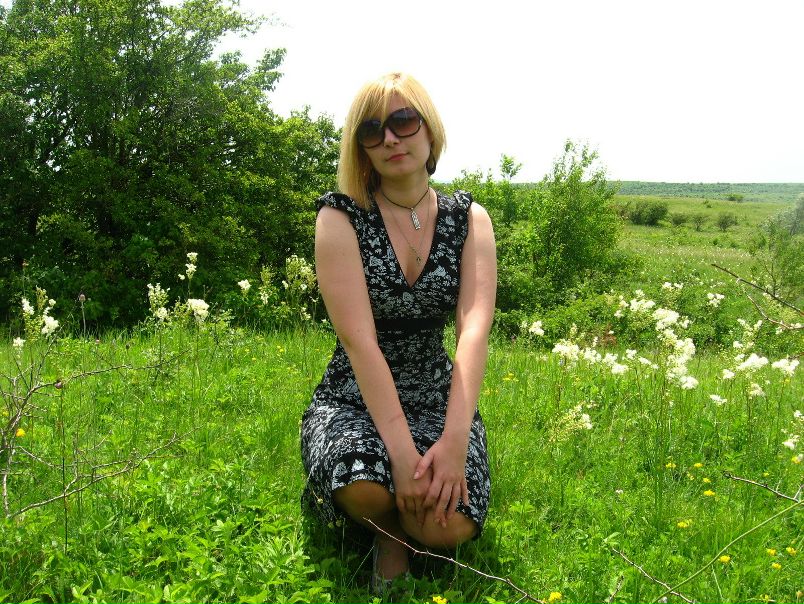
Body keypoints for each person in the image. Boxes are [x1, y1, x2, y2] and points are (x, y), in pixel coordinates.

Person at [300, 72, 497, 592]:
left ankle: (408, 517)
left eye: (403, 121)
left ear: (429, 129)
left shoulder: (469, 218)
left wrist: (453, 442)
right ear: (361, 148)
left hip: (437, 396)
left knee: (447, 525)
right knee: (364, 484)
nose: (389, 138)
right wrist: (403, 453)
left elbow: (473, 331)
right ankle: (388, 534)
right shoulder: (341, 216)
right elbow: (358, 340)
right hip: (353, 396)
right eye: (372, 130)